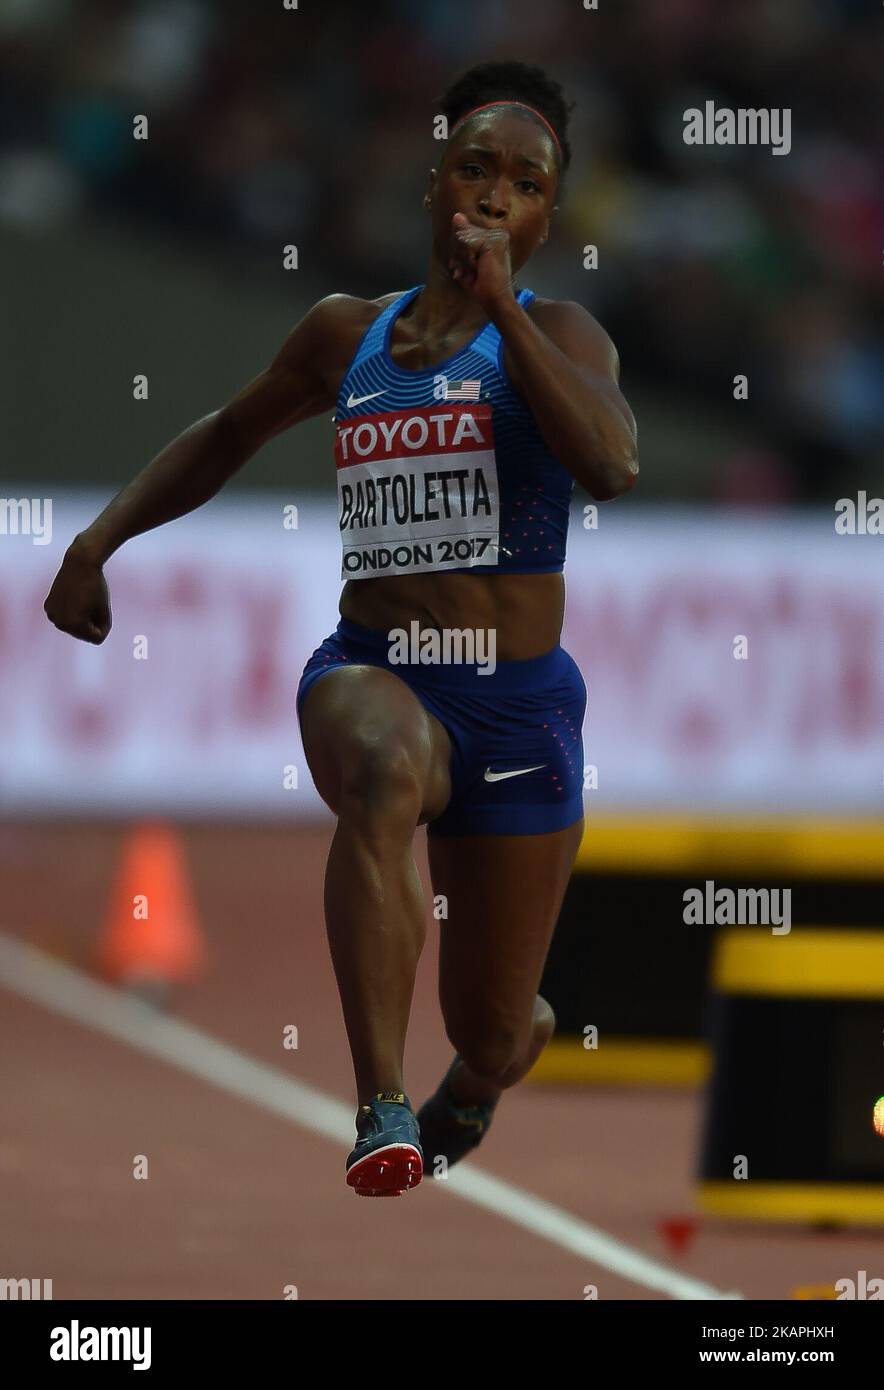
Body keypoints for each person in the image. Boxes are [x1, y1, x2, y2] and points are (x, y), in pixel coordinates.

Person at [44, 60, 638, 1198]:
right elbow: (226, 432)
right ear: (432, 182)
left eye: (524, 181)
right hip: (374, 667)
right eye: (475, 166)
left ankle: (475, 1075)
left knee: (497, 1024)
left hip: (515, 703)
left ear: (545, 215)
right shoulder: (345, 335)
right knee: (380, 766)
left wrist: (504, 308)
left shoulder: (562, 333)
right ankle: (378, 1105)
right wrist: (98, 540)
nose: (494, 193)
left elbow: (610, 464)